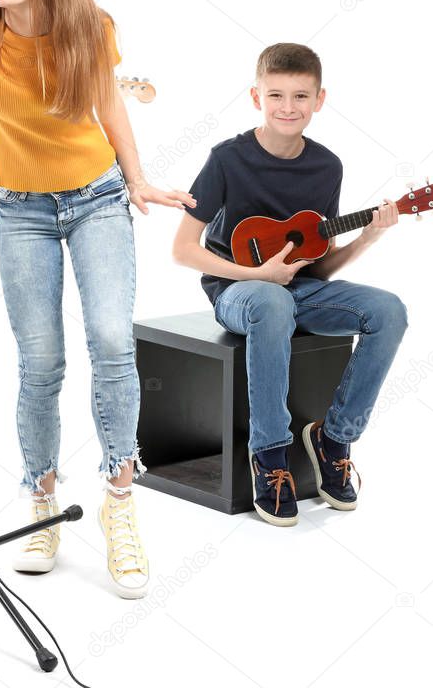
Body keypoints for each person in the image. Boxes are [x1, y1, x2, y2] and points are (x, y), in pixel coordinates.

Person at [0, 0, 195, 598]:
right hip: (23, 212)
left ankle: (119, 500)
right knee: (40, 362)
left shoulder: (90, 26)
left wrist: (135, 179)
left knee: (110, 339)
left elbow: (109, 107)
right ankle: (40, 501)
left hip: (97, 200)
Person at [171, 43, 408, 526]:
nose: (288, 107)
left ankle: (334, 437)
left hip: (295, 290)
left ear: (319, 100)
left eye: (301, 96)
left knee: (389, 310)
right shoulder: (227, 159)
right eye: (276, 95)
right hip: (238, 291)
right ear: (255, 96)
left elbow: (315, 265)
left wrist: (368, 237)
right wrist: (260, 275)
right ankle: (270, 455)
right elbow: (183, 250)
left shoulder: (327, 167)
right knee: (273, 301)